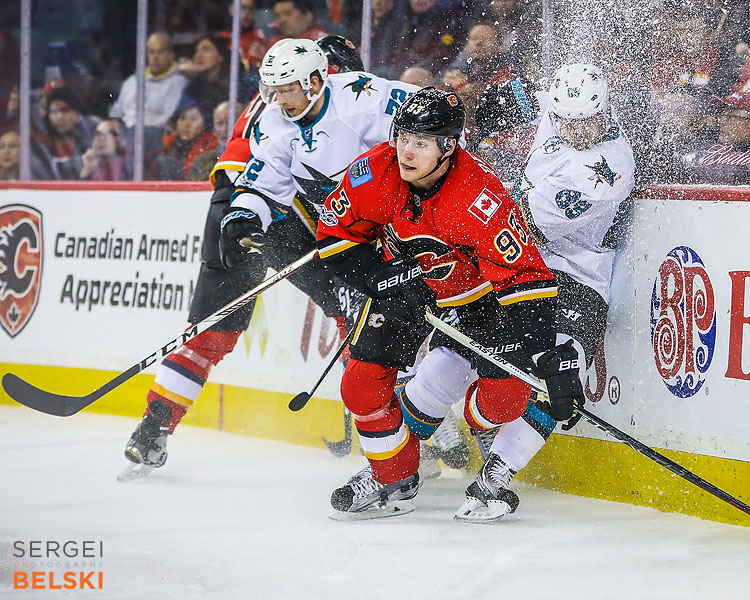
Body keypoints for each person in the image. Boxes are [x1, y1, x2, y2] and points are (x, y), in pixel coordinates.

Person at [120, 38, 419, 478]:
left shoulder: (317, 98)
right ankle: (408, 424)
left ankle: (153, 428)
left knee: (212, 329)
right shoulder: (286, 114)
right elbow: (270, 178)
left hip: (244, 213)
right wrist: (245, 216)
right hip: (267, 217)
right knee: (360, 315)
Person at [316, 86, 585, 520]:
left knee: (504, 402)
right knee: (360, 386)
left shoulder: (478, 198)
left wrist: (543, 350)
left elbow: (526, 278)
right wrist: (375, 277)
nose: (406, 151)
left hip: (481, 304)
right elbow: (334, 234)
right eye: (403, 136)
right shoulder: (374, 170)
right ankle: (393, 477)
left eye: (421, 143)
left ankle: (479, 427)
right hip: (405, 292)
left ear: (448, 147)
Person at [109, 32, 187, 154]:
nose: (155, 58)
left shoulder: (178, 82)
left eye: (160, 52)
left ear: (171, 55)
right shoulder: (132, 81)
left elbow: (169, 117)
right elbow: (116, 111)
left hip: (155, 136)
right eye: (151, 52)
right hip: (127, 134)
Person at [30, 86, 96, 180]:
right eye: (53, 112)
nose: (59, 117)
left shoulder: (90, 142)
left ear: (76, 112)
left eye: (65, 110)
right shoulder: (40, 145)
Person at [145, 105, 218, 180]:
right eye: (182, 119)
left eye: (193, 119)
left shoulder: (211, 148)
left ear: (204, 125)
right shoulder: (167, 146)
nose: (186, 124)